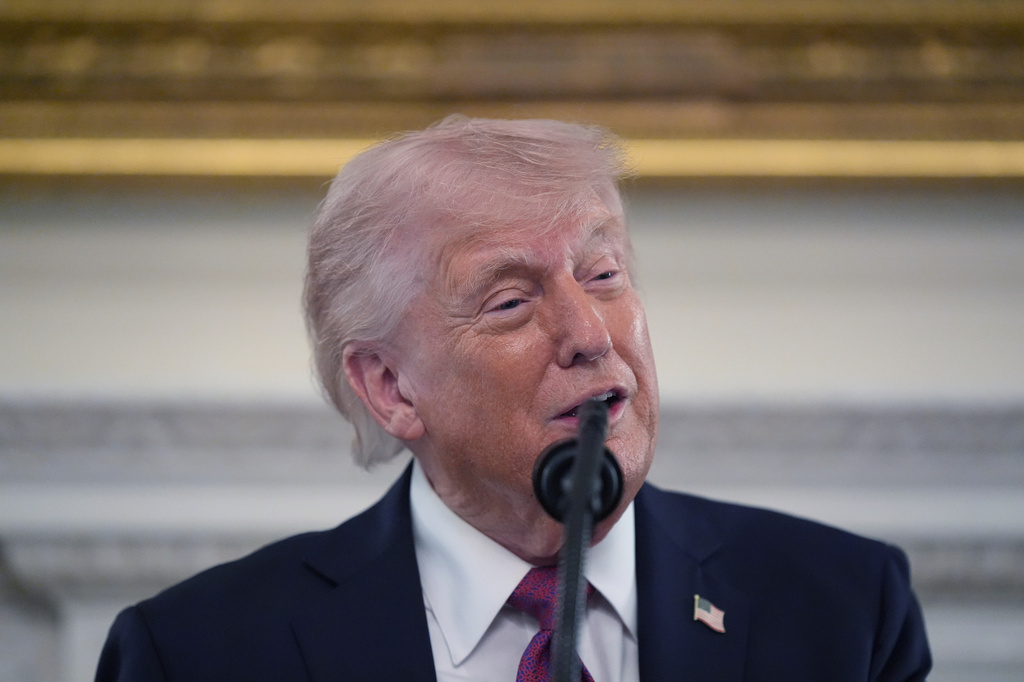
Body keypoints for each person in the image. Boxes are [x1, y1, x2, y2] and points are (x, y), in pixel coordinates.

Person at [96, 116, 931, 681]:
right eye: (510, 302)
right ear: (389, 387)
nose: (589, 333)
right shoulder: (199, 653)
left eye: (603, 275)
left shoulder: (845, 610)